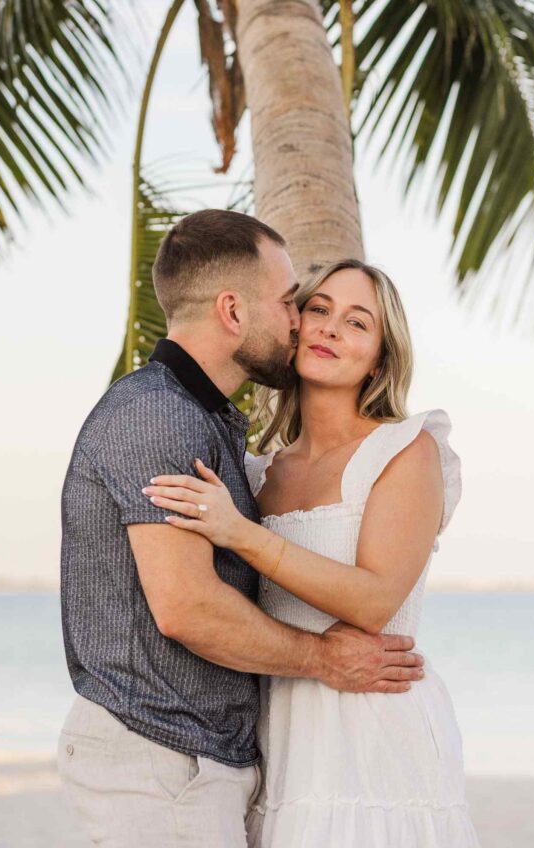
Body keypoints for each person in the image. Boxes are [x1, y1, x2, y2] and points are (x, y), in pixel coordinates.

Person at [58, 210, 424, 848]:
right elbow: (187, 608)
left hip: (220, 760)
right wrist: (320, 658)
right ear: (233, 311)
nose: (299, 322)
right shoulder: (157, 418)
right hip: (161, 756)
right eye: (293, 303)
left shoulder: (214, 427)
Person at [144, 258, 481, 846]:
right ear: (294, 325)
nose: (329, 328)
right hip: (278, 732)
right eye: (319, 310)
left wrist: (241, 533)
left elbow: (374, 602)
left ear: (380, 355)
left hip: (374, 728)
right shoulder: (253, 473)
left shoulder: (406, 450)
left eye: (357, 322)